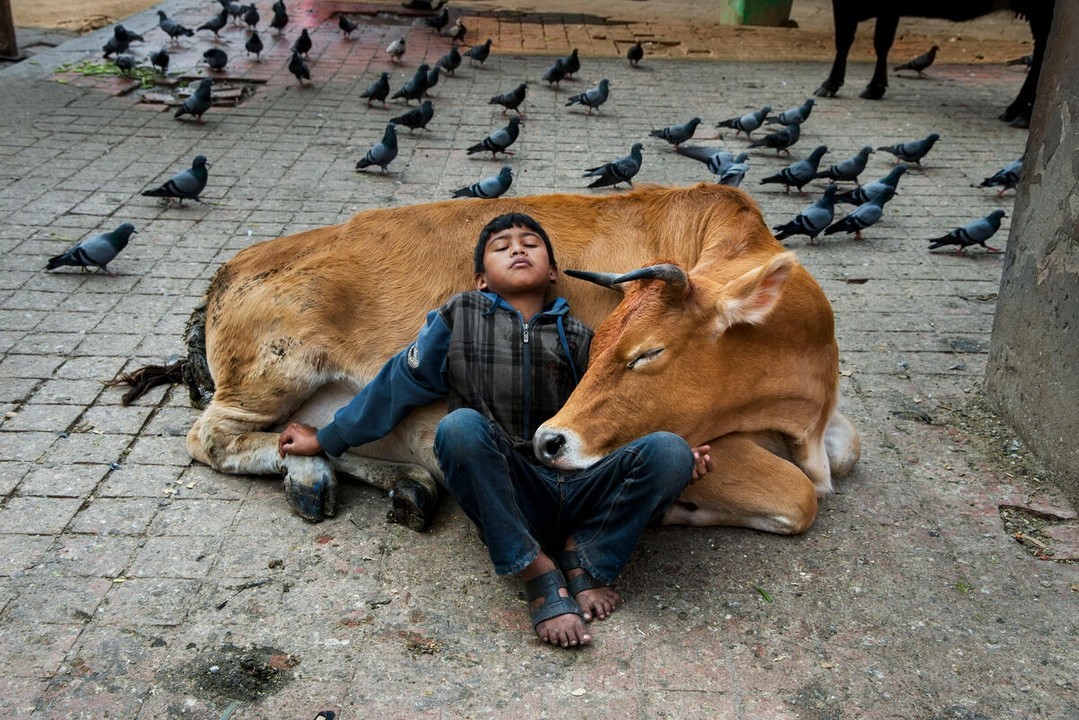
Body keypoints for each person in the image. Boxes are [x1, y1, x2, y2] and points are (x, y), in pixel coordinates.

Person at [279, 213, 712, 648]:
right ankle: (535, 569)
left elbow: (611, 413)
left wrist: (679, 464)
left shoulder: (582, 337)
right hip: (508, 491)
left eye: (530, 243)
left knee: (670, 450)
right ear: (481, 279)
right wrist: (326, 437)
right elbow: (395, 386)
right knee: (460, 427)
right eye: (501, 246)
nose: (518, 249)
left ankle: (585, 561)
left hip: (578, 485)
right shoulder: (458, 317)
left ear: (554, 272)